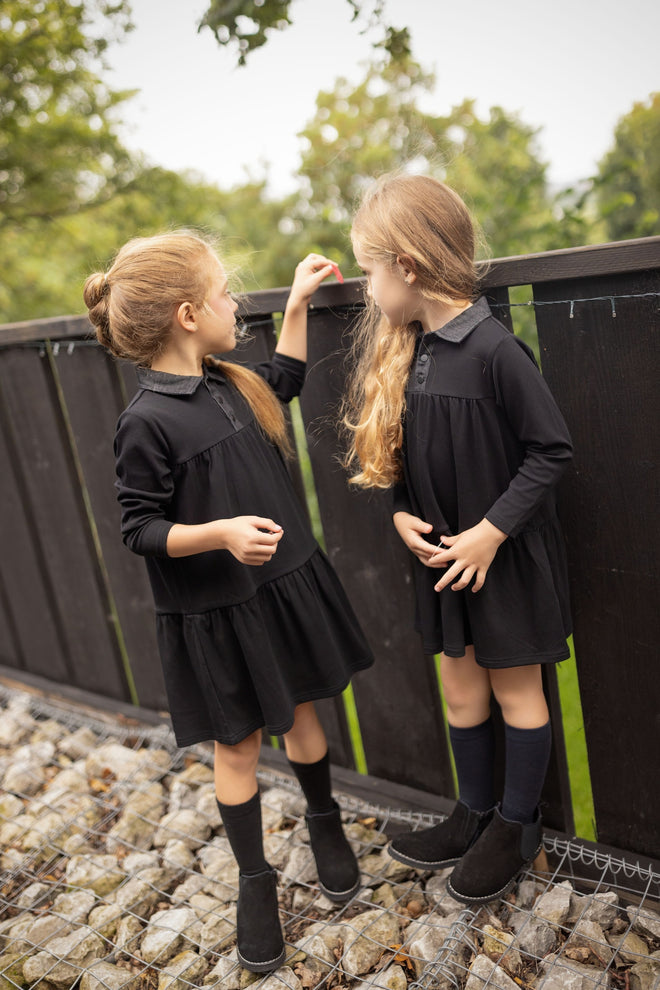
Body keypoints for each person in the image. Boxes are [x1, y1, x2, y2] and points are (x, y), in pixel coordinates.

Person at [84, 232, 374, 972]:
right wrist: (217, 533)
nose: (233, 303)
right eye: (223, 294)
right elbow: (139, 527)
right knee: (238, 745)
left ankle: (324, 818)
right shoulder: (145, 422)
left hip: (280, 591)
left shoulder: (230, 378)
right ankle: (255, 879)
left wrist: (300, 302)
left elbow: (283, 376)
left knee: (305, 709)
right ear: (187, 314)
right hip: (219, 614)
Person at [342, 172, 573, 905]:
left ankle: (516, 824)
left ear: (406, 267)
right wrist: (401, 510)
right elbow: (411, 456)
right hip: (444, 561)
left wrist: (490, 534)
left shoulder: (495, 352)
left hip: (500, 561)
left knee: (516, 691)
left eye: (369, 271)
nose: (366, 288)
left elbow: (551, 452)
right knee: (459, 684)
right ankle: (472, 812)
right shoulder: (414, 350)